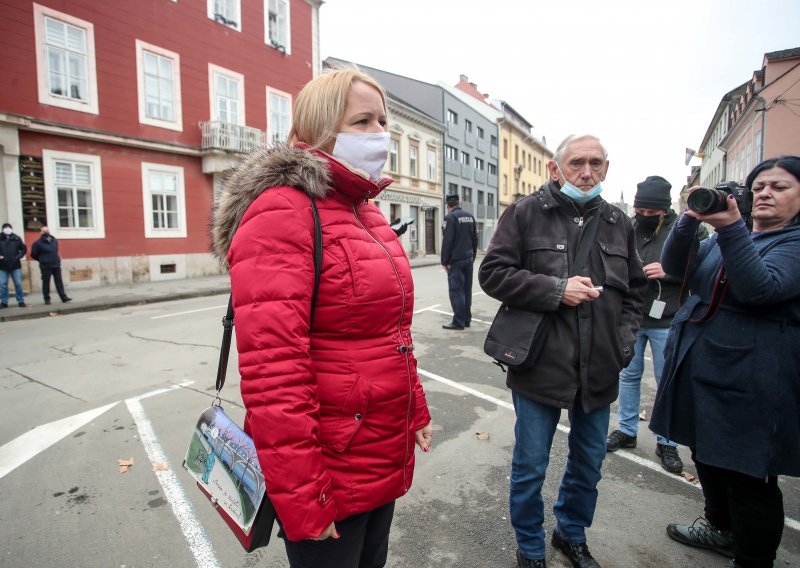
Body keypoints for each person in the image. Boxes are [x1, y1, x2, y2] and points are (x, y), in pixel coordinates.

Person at [211, 69, 432, 568]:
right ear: (319, 127)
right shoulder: (282, 211)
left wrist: (414, 409)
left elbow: (391, 332)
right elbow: (275, 375)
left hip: (377, 448)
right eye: (362, 121)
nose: (379, 133)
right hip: (329, 466)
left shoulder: (366, 210)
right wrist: (304, 497)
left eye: (382, 120)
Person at [479, 134, 646, 568]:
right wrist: (556, 290)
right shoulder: (525, 213)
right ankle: (530, 548)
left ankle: (570, 534)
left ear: (606, 168)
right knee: (531, 467)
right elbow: (493, 274)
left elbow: (636, 293)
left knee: (589, 463)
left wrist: (623, 344)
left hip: (600, 367)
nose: (586, 172)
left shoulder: (618, 222)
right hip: (541, 365)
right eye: (576, 163)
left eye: (595, 163)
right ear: (556, 169)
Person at [651, 156, 800, 568]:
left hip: (753, 379)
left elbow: (758, 289)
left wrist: (732, 228)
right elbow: (673, 265)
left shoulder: (793, 244)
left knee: (748, 476)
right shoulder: (726, 237)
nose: (766, 192)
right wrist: (688, 219)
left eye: (780, 186)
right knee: (708, 456)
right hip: (705, 368)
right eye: (760, 186)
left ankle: (752, 559)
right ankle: (720, 528)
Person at [606, 176, 706, 474]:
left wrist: (670, 272)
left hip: (667, 317)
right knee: (628, 375)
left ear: (665, 210)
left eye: (652, 213)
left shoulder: (687, 229)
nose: (645, 217)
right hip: (632, 316)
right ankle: (626, 429)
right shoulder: (630, 226)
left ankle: (667, 441)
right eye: (641, 212)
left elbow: (703, 267)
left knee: (666, 380)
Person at [440, 193, 478, 330]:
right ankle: (467, 319)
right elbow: (475, 239)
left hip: (456, 260)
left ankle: (459, 322)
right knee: (467, 290)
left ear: (447, 205)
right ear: (458, 202)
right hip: (468, 258)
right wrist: (472, 256)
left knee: (457, 291)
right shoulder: (470, 216)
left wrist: (444, 261)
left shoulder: (450, 218)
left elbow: (447, 241)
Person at [30, 226, 71, 305]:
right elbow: (33, 254)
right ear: (40, 232)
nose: (46, 232)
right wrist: (42, 259)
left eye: (47, 231)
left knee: (59, 281)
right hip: (45, 266)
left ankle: (63, 297)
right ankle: (47, 299)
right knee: (46, 282)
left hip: (55, 264)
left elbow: (55, 250)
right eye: (43, 231)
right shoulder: (37, 243)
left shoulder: (54, 240)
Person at [0, 222, 27, 308]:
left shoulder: (16, 238)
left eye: (9, 228)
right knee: (3, 284)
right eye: (5, 228)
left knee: (18, 283)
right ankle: (4, 302)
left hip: (15, 265)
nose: (7, 229)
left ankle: (20, 300)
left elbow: (23, 249)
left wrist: (18, 257)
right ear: (2, 229)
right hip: (2, 265)